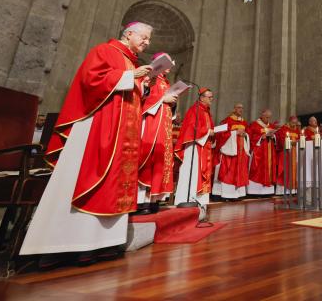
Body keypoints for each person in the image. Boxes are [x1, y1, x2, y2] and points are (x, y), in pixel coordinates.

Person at [20, 22, 154, 262]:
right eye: (144, 37)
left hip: (122, 133)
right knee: (85, 176)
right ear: (129, 33)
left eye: (149, 39)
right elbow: (91, 81)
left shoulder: (132, 62)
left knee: (114, 182)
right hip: (99, 128)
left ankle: (102, 242)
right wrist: (129, 76)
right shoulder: (105, 51)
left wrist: (141, 86)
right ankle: (65, 243)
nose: (147, 42)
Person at [135, 53, 178, 214]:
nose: (170, 67)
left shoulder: (166, 82)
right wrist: (163, 99)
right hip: (151, 124)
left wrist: (172, 102)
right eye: (167, 63)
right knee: (148, 158)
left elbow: (166, 104)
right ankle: (140, 201)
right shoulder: (151, 77)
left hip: (164, 126)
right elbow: (144, 100)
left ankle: (153, 199)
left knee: (160, 160)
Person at [174, 87, 214, 208]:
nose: (212, 99)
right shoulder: (195, 110)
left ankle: (201, 201)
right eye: (209, 97)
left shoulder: (206, 111)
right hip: (194, 149)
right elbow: (191, 128)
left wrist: (211, 134)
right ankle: (188, 198)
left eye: (212, 97)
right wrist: (208, 132)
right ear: (202, 98)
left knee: (200, 174)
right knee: (192, 173)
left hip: (203, 147)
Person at [212, 103, 250, 200]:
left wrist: (245, 135)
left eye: (242, 108)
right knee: (228, 171)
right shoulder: (227, 121)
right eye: (238, 108)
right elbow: (220, 135)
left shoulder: (244, 122)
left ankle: (237, 194)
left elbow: (248, 135)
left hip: (241, 152)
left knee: (239, 171)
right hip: (230, 151)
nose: (240, 109)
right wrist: (235, 133)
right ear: (234, 109)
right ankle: (225, 194)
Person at [246, 109, 277, 195]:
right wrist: (261, 137)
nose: (268, 119)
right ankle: (255, 192)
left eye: (269, 117)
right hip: (259, 151)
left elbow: (275, 138)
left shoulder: (271, 125)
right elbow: (249, 137)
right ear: (262, 115)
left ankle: (267, 192)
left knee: (269, 169)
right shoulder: (255, 125)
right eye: (267, 117)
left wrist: (273, 136)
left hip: (269, 151)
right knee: (257, 171)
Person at [276, 116, 302, 194]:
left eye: (295, 123)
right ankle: (282, 191)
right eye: (293, 123)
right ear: (289, 121)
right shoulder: (283, 129)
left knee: (295, 171)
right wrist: (291, 143)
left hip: (295, 153)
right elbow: (281, 141)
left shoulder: (297, 130)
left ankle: (293, 190)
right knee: (285, 170)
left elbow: (301, 140)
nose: (294, 125)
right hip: (286, 153)